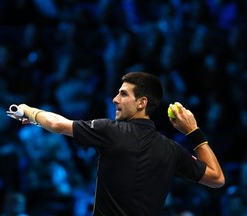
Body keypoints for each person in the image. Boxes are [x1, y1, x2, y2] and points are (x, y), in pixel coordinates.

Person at [13, 71, 225, 216]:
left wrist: (28, 111)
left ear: (142, 103)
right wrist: (192, 131)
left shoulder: (110, 130)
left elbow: (56, 124)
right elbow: (216, 178)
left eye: (123, 94)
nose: (115, 99)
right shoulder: (172, 149)